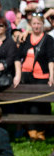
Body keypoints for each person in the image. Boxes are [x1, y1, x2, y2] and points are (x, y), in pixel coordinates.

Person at [14, 13, 54, 141]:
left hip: (42, 75)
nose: (36, 26)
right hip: (26, 75)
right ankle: (31, 130)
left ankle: (42, 129)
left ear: (43, 25)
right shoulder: (25, 38)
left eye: (39, 24)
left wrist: (52, 76)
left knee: (42, 104)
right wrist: (18, 75)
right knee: (28, 103)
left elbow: (51, 59)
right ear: (31, 25)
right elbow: (18, 56)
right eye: (34, 24)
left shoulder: (48, 39)